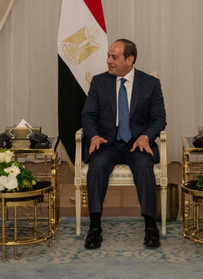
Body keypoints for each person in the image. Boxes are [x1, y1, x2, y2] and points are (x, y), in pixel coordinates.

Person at [81, 39, 167, 249]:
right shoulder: (100, 82)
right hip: (107, 143)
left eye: (114, 57)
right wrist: (93, 136)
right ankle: (94, 227)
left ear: (130, 59)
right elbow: (88, 115)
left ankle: (150, 227)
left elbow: (159, 118)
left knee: (144, 166)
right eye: (108, 56)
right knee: (97, 165)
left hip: (136, 144)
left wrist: (146, 136)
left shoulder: (150, 83)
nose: (108, 61)